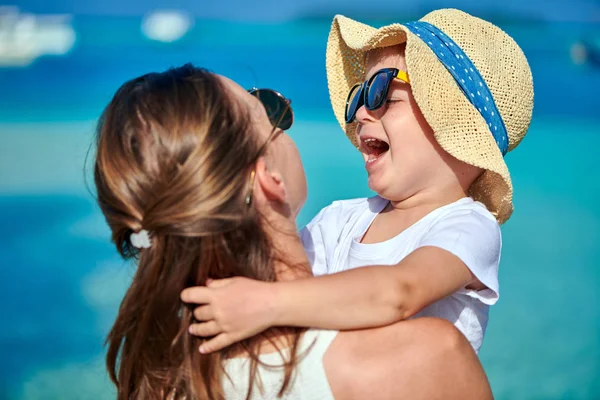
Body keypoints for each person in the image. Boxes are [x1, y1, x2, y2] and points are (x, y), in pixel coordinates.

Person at [93, 64, 493, 399]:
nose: (358, 116)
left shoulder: (162, 379)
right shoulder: (425, 359)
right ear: (268, 179)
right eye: (269, 112)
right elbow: (394, 293)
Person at [183, 9, 534, 355]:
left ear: (454, 127)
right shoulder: (338, 220)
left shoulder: (468, 226)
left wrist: (265, 303)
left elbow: (399, 293)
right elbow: (284, 281)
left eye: (383, 93)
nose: (362, 113)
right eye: (360, 96)